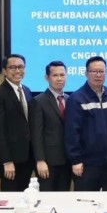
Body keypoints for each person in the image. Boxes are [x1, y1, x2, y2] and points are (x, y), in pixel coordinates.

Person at [65, 56, 107, 192]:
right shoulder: (76, 99)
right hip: (86, 164)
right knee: (85, 201)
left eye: (101, 71)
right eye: (94, 71)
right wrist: (76, 160)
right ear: (86, 73)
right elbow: (71, 132)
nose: (98, 75)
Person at [0, 54, 33, 192]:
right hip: (11, 159)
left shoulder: (26, 90)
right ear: (5, 71)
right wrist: (6, 161)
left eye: (21, 67)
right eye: (13, 67)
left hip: (27, 156)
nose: (18, 70)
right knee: (11, 195)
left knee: (25, 194)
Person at [30, 61, 72, 191]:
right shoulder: (38, 101)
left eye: (62, 75)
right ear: (47, 77)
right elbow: (36, 134)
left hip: (67, 160)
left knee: (63, 196)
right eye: (55, 75)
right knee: (47, 197)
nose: (59, 79)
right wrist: (40, 160)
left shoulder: (70, 99)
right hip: (48, 162)